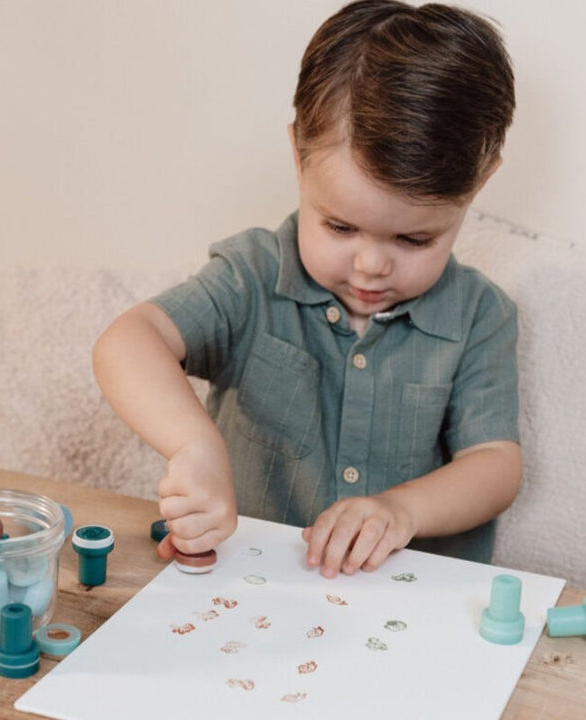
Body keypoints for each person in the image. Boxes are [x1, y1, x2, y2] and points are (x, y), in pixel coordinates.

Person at [93, 0, 521, 578]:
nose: (370, 266)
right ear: (298, 157)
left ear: (482, 181)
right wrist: (194, 446)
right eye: (340, 227)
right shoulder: (252, 274)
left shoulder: (479, 315)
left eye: (414, 240)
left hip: (403, 611)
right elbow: (128, 342)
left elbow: (494, 465)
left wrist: (402, 510)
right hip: (247, 591)